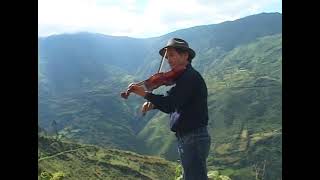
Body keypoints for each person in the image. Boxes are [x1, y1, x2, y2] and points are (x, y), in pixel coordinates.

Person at [128, 38, 211, 180]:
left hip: (193, 137)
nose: (168, 60)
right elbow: (174, 99)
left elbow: (169, 105)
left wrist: (144, 93)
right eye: (167, 57)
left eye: (172, 55)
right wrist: (153, 104)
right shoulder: (182, 77)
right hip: (188, 137)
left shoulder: (189, 77)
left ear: (185, 55)